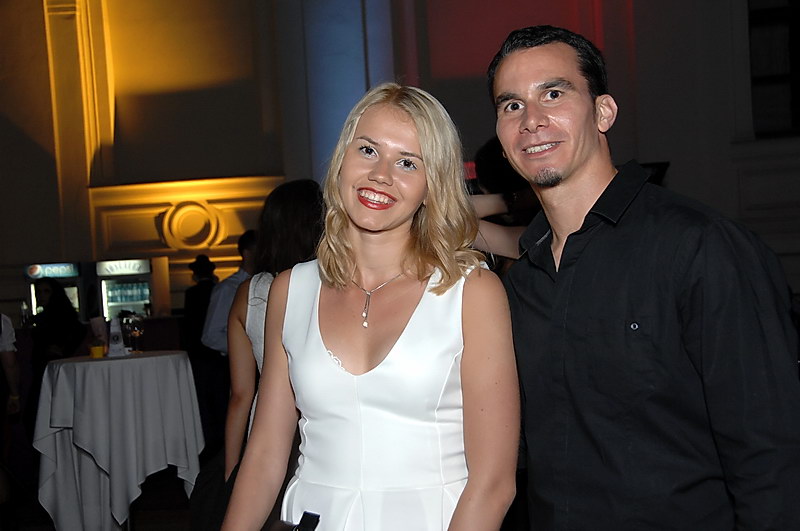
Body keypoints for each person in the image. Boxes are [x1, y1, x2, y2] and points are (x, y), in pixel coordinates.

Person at [488, 25, 800, 530]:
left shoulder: (699, 246)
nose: (532, 120)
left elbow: (772, 457)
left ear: (604, 112)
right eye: (512, 105)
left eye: (553, 94)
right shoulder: (523, 283)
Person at [222, 82, 519, 530]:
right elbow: (264, 456)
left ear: (432, 185)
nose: (381, 174)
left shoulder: (472, 293)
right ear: (342, 159)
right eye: (367, 150)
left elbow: (493, 483)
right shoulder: (290, 290)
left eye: (407, 162)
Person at [23, 277, 87, 439]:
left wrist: (61, 350)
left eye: (46, 291)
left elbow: (77, 333)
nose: (41, 295)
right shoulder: (45, 317)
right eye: (38, 292)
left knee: (40, 418)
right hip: (48, 371)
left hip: (53, 373)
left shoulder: (58, 318)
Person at [202, 230, 258, 355]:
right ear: (247, 254)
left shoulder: (269, 282)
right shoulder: (228, 288)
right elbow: (211, 336)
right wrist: (249, 348)